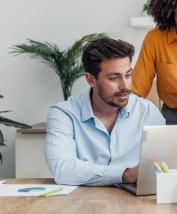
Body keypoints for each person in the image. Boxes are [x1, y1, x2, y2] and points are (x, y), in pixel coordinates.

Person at [45, 37, 165, 186]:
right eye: (114, 78)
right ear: (91, 80)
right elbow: (63, 170)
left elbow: (167, 163)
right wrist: (125, 175)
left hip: (136, 202)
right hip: (82, 203)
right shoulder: (63, 114)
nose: (125, 86)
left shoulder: (147, 111)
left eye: (128, 75)